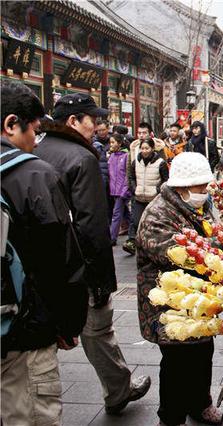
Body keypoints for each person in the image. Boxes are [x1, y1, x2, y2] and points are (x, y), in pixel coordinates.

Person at [36, 93, 151, 415]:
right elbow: (91, 226)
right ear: (73, 121)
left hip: (44, 267)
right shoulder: (82, 157)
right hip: (80, 266)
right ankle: (118, 390)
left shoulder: (36, 151)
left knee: (43, 342)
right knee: (99, 330)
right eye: (93, 120)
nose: (98, 126)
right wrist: (101, 281)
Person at [1, 81, 88, 426]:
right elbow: (62, 260)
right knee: (32, 415)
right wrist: (68, 324)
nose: (35, 142)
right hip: (26, 332)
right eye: (34, 131)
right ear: (11, 124)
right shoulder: (34, 174)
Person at [136, 152, 222, 425]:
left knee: (203, 349)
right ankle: (170, 417)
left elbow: (211, 233)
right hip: (169, 302)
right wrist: (220, 252)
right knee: (177, 362)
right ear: (182, 187)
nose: (204, 192)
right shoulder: (157, 215)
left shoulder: (196, 206)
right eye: (200, 187)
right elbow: (179, 255)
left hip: (198, 296)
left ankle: (200, 404)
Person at [124, 139, 169, 255]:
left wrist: (156, 190)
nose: (144, 151)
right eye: (142, 148)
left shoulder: (160, 163)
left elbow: (166, 181)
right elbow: (131, 177)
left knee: (153, 225)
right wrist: (134, 189)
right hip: (139, 198)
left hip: (154, 200)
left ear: (152, 149)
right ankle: (140, 247)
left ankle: (153, 248)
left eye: (147, 148)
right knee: (137, 222)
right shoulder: (136, 162)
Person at [108, 133, 131, 246]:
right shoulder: (111, 156)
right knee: (127, 215)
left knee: (116, 214)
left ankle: (112, 238)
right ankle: (136, 231)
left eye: (113, 142)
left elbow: (128, 175)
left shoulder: (126, 156)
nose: (111, 145)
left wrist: (125, 189)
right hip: (114, 190)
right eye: (110, 142)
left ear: (119, 143)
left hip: (123, 190)